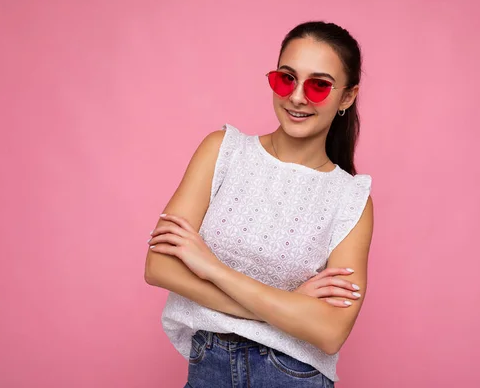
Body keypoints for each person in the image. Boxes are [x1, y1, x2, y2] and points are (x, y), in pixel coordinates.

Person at [144, 21, 374, 388]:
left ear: (347, 97)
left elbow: (330, 331)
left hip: (293, 377)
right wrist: (284, 306)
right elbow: (159, 267)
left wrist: (211, 268)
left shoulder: (351, 200)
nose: (297, 97)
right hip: (208, 370)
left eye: (319, 85)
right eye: (286, 78)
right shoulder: (222, 151)